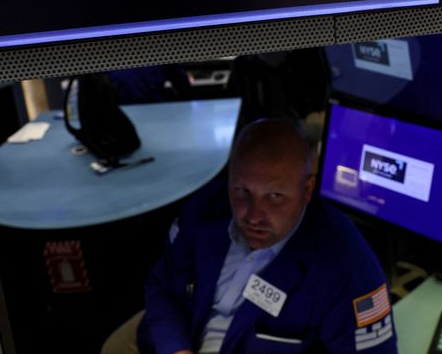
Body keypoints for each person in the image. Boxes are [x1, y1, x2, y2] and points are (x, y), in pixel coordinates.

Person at [103, 118, 396, 354]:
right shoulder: (203, 210)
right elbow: (164, 287)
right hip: (181, 337)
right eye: (242, 191)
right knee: (114, 346)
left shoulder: (350, 270)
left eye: (274, 196)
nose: (254, 215)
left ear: (306, 190)